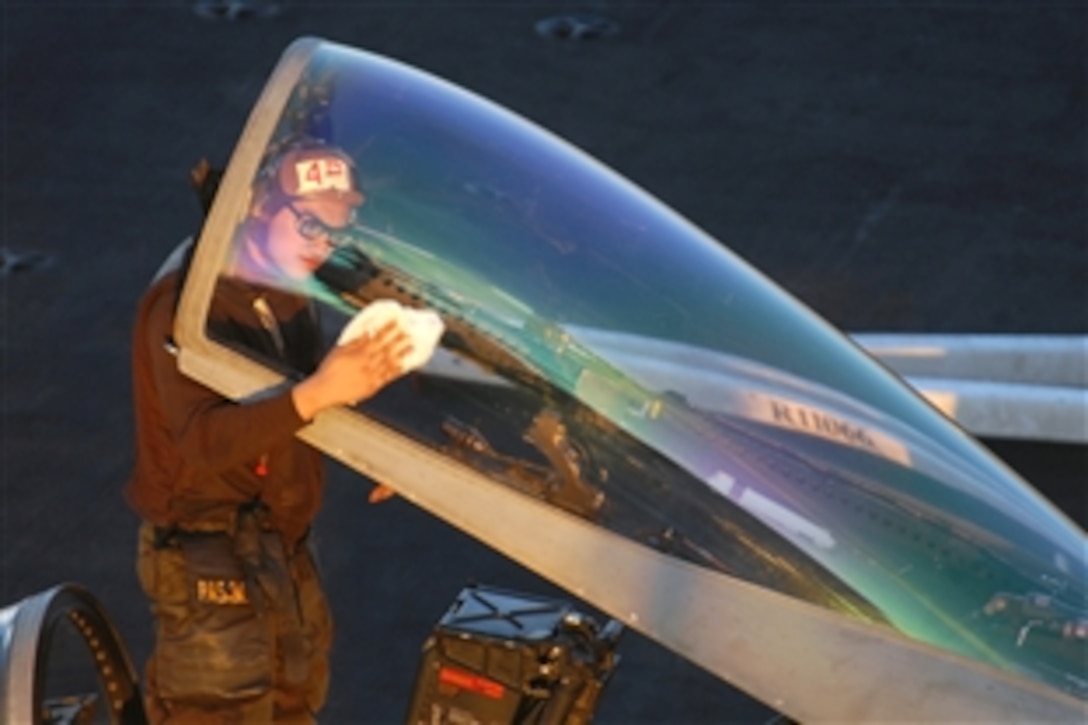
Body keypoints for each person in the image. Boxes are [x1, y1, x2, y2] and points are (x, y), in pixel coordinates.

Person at [126, 142, 411, 723]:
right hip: (209, 562)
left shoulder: (283, 283)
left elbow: (295, 406)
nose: (322, 243)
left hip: (277, 548)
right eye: (308, 221)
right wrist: (321, 392)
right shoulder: (190, 303)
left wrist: (377, 449)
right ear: (257, 204)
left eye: (337, 227)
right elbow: (200, 444)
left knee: (295, 706)